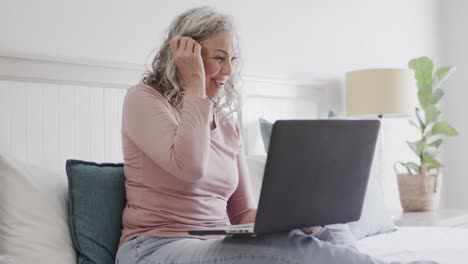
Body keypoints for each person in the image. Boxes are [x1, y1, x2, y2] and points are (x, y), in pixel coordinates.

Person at [116, 6, 387, 264]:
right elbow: (191, 167)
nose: (229, 71)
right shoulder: (143, 100)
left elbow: (241, 213)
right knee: (286, 247)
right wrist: (194, 85)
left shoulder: (226, 124)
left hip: (215, 241)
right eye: (219, 58)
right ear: (188, 57)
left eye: (232, 59)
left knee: (327, 227)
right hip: (154, 247)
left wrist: (294, 219)